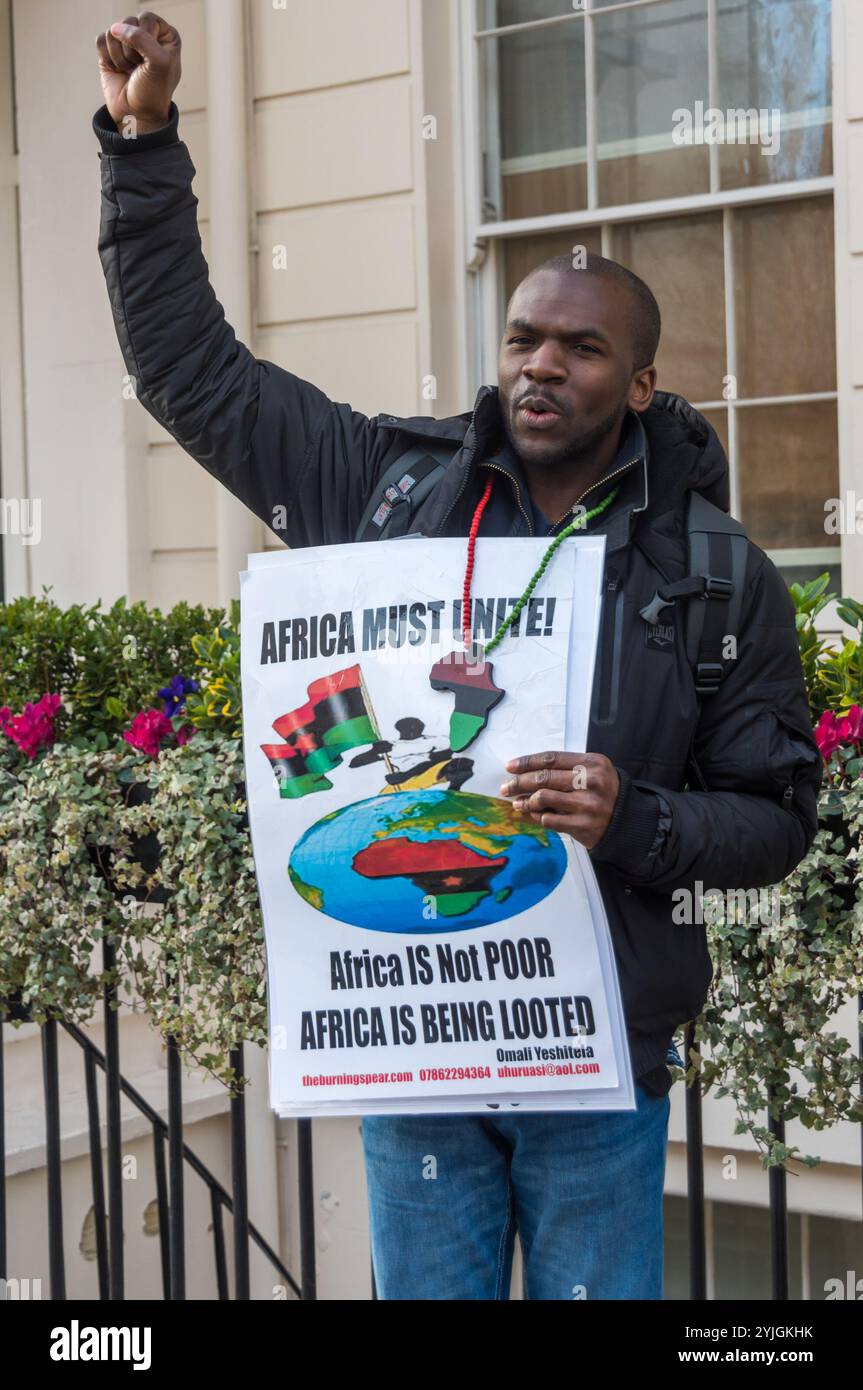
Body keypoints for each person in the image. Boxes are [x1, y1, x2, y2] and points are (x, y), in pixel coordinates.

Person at [93, 13, 822, 1300]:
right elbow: (189, 376)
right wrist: (144, 144)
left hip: (592, 1053)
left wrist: (634, 817)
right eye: (523, 339)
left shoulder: (714, 575)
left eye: (580, 347)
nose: (540, 365)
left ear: (638, 383)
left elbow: (770, 819)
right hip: (410, 1044)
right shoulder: (384, 488)